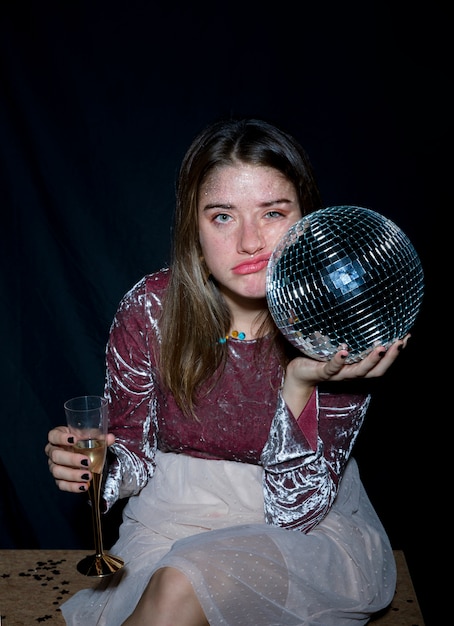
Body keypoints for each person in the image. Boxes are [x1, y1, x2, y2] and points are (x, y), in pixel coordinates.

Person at [45, 117, 408, 626]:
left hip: (303, 537)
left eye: (273, 212)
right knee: (175, 579)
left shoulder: (339, 325)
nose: (250, 242)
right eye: (222, 216)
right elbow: (131, 449)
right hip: (170, 521)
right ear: (193, 226)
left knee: (181, 584)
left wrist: (300, 384)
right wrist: (97, 467)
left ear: (308, 219)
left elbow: (296, 513)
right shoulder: (151, 309)